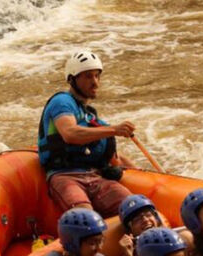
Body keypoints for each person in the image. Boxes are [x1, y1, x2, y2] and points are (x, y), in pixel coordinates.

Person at [37, 50, 137, 218]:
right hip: (65, 176)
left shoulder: (90, 116)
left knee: (136, 209)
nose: (95, 82)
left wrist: (144, 173)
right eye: (88, 77)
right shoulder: (61, 102)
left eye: (97, 76)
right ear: (72, 79)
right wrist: (114, 129)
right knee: (86, 218)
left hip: (94, 176)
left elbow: (115, 157)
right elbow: (70, 133)